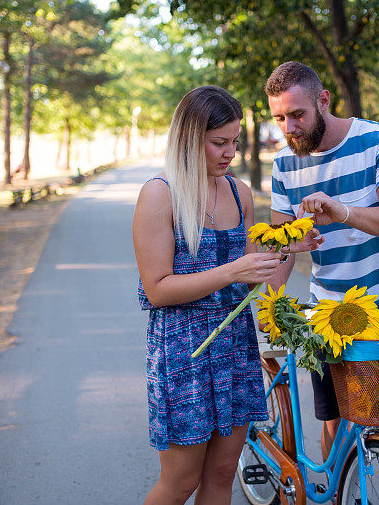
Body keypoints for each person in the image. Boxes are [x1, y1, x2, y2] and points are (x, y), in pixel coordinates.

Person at [262, 61, 379, 466]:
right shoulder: (283, 165)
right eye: (279, 118)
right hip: (327, 315)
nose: (289, 128)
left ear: (323, 101)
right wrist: (272, 303)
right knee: (334, 425)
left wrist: (342, 211)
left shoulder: (378, 138)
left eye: (297, 115)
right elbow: (281, 245)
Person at [133, 85, 281, 505]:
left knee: (221, 476)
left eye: (235, 141)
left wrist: (286, 249)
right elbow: (157, 289)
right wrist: (233, 270)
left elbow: (251, 277)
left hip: (236, 348)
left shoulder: (240, 193)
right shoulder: (159, 194)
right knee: (181, 483)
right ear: (189, 137)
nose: (230, 152)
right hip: (185, 352)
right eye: (219, 142)